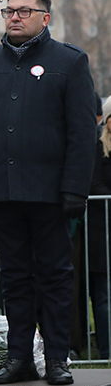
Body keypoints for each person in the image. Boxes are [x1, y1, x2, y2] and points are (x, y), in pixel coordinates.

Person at [0, 0, 96, 385]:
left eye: (23, 11)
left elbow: (81, 132)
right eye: (9, 11)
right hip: (3, 192)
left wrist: (75, 188)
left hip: (50, 194)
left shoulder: (68, 62)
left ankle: (56, 359)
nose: (14, 17)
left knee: (54, 276)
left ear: (44, 18)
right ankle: (19, 358)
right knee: (14, 277)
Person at [86, 96, 111, 360]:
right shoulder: (97, 148)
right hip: (101, 232)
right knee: (103, 296)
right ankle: (106, 350)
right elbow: (94, 185)